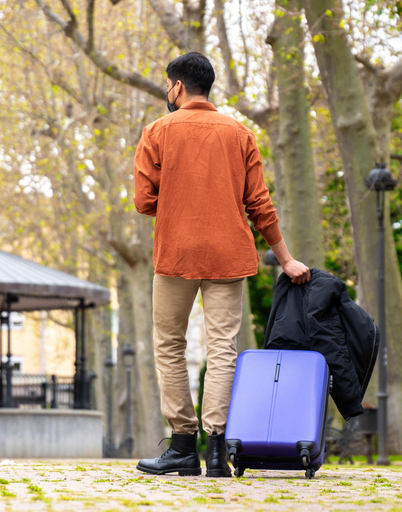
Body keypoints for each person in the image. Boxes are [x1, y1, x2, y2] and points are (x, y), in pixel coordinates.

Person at [132, 52, 311, 477]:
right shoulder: (239, 134)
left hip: (175, 255)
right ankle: (216, 451)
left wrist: (176, 204)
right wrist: (285, 259)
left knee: (170, 346)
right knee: (223, 350)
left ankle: (181, 447)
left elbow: (143, 201)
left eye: (167, 86)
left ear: (177, 87)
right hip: (230, 254)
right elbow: (260, 206)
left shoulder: (157, 132)